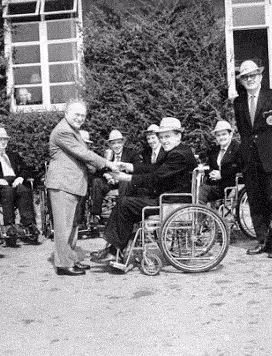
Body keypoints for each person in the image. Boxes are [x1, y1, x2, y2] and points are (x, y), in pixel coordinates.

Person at [92, 117, 197, 264]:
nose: (164, 141)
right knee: (129, 199)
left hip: (170, 202)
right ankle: (115, 248)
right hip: (169, 198)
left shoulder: (177, 155)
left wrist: (127, 178)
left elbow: (156, 177)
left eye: (168, 136)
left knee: (124, 203)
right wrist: (130, 167)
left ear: (178, 135)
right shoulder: (178, 151)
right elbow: (154, 169)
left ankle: (114, 249)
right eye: (162, 137)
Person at [46, 99, 119, 276]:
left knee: (72, 225)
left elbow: (83, 158)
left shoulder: (72, 130)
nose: (80, 118)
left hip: (71, 184)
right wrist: (107, 163)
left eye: (83, 115)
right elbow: (83, 153)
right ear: (66, 114)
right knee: (64, 226)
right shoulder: (63, 131)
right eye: (77, 114)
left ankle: (70, 259)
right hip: (63, 184)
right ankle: (63, 264)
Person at [234, 60, 272, 258]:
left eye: (253, 75)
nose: (250, 79)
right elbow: (245, 132)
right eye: (245, 77)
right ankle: (262, 241)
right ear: (242, 81)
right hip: (250, 160)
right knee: (255, 201)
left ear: (260, 76)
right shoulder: (239, 102)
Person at [0, 128, 40, 240]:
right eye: (0, 139)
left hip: (14, 181)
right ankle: (9, 225)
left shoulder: (14, 155)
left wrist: (20, 177)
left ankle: (28, 224)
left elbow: (26, 169)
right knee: (7, 191)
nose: (3, 142)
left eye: (5, 139)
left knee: (24, 190)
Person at [89, 130, 141, 224]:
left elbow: (137, 170)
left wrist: (121, 176)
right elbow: (99, 170)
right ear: (110, 145)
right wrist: (107, 175)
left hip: (124, 182)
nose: (116, 146)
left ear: (123, 143)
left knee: (126, 183)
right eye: (113, 143)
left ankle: (121, 216)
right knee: (97, 181)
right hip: (110, 182)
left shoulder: (131, 153)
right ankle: (96, 214)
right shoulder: (107, 154)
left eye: (119, 142)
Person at [198, 121, 242, 204]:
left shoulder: (237, 148)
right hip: (214, 184)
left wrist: (221, 174)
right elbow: (209, 165)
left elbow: (238, 167)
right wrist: (211, 173)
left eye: (224, 134)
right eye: (218, 135)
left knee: (202, 192)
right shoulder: (215, 150)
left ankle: (200, 215)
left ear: (230, 134)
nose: (221, 137)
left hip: (230, 186)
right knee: (198, 188)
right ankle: (205, 214)